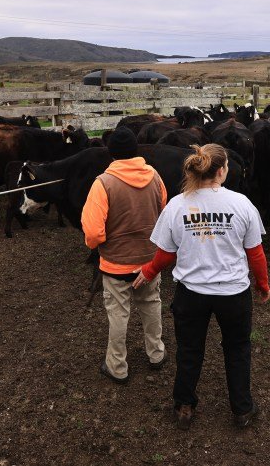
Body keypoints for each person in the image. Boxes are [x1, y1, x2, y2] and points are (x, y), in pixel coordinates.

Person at [135, 144, 270, 430]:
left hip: (191, 294)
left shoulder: (177, 205)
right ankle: (242, 409)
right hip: (233, 293)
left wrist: (148, 270)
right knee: (237, 348)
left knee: (189, 349)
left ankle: (184, 406)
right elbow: (255, 253)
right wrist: (262, 283)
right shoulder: (242, 204)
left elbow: (166, 254)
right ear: (221, 171)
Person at [81, 127, 168, 384]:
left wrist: (98, 244)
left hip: (116, 264)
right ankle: (156, 353)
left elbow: (93, 233)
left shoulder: (103, 183)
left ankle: (117, 366)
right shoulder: (155, 177)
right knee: (151, 304)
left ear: (111, 153)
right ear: (136, 150)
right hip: (149, 261)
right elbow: (163, 213)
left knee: (118, 313)